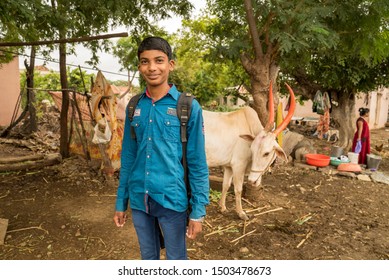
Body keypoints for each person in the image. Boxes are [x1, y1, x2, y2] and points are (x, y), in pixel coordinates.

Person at [113, 37, 209, 260]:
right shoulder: (134, 106)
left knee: (176, 259)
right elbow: (127, 158)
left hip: (172, 200)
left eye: (159, 60)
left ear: (171, 64)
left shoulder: (187, 107)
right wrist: (121, 201)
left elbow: (197, 163)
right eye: (145, 62)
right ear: (139, 66)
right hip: (139, 198)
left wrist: (198, 212)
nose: (152, 67)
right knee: (148, 257)